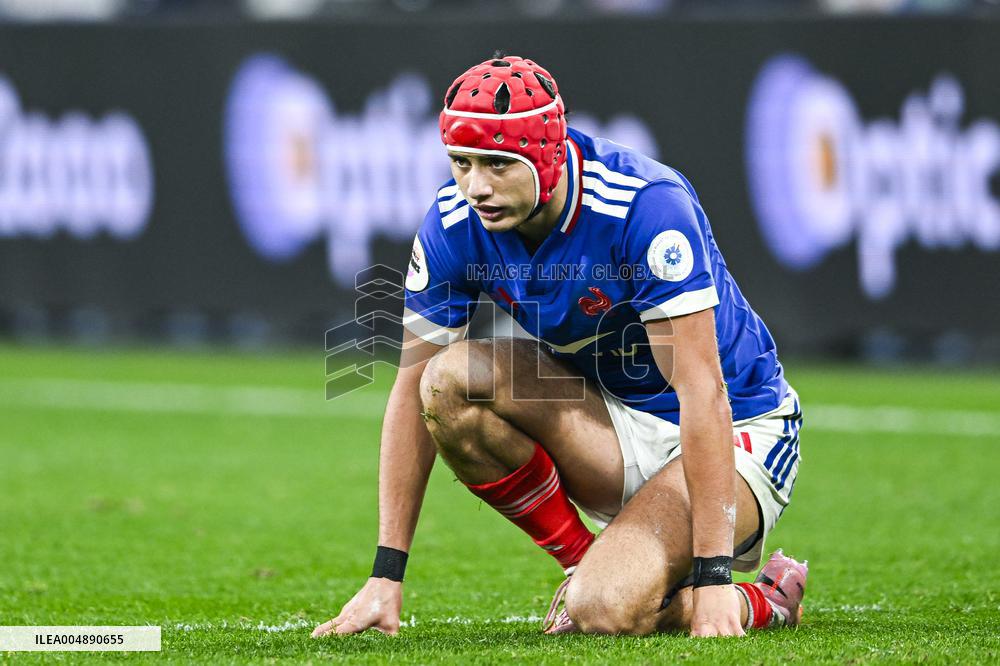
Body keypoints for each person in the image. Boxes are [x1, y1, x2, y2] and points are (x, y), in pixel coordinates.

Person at [312, 54, 807, 639]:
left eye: (498, 164)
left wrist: (716, 577)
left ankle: (763, 597)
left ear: (547, 154)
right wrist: (385, 575)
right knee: (445, 382)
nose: (476, 185)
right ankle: (581, 565)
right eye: (461, 162)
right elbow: (407, 394)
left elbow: (704, 391)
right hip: (615, 419)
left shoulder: (642, 207)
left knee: (606, 611)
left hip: (735, 430)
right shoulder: (454, 222)